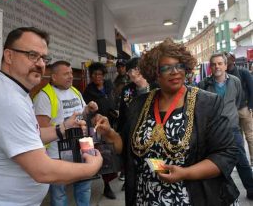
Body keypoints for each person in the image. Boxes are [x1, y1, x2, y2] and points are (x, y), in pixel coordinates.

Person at [0, 27, 103, 206]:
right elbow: (42, 171)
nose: (40, 64)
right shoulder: (7, 100)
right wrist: (91, 167)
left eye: (43, 58)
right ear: (9, 56)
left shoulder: (15, 92)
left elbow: (30, 136)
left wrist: (63, 127)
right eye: (32, 55)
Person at [94, 39, 240, 205]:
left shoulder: (207, 103)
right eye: (166, 68)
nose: (175, 72)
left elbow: (226, 154)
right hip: (147, 197)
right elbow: (127, 147)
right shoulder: (139, 104)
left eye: (179, 66)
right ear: (155, 72)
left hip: (192, 196)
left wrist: (186, 173)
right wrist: (109, 133)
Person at [34, 60, 98, 206]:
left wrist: (89, 109)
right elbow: (41, 129)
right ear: (54, 77)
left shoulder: (75, 91)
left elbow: (82, 113)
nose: (70, 76)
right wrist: (65, 127)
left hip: (81, 148)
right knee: (59, 195)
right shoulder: (44, 96)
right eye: (66, 74)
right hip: (57, 154)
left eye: (71, 73)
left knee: (84, 188)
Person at [198, 52, 253, 200]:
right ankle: (219, 194)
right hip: (213, 131)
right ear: (210, 67)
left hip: (232, 129)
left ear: (225, 65)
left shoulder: (235, 81)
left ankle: (251, 189)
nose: (217, 67)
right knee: (216, 163)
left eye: (220, 63)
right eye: (214, 64)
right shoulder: (204, 84)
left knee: (242, 161)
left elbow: (238, 99)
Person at [83, 62, 118, 199]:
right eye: (95, 74)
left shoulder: (109, 86)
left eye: (100, 74)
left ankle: (117, 176)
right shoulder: (88, 91)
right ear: (91, 76)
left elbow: (113, 100)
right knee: (105, 156)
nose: (98, 77)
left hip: (113, 125)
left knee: (115, 153)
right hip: (99, 128)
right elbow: (87, 113)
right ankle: (107, 186)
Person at [117, 57, 150, 187]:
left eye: (137, 69)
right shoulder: (127, 90)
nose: (134, 73)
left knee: (156, 171)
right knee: (135, 172)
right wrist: (119, 134)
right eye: (130, 70)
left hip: (154, 137)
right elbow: (122, 115)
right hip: (132, 137)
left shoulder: (157, 86)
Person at [225, 52, 253, 165]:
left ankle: (252, 159)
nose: (226, 61)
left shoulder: (243, 72)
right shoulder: (224, 74)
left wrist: (250, 106)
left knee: (250, 135)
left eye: (227, 58)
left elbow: (252, 89)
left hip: (244, 108)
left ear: (233, 59)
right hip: (232, 111)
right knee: (237, 138)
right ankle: (242, 161)